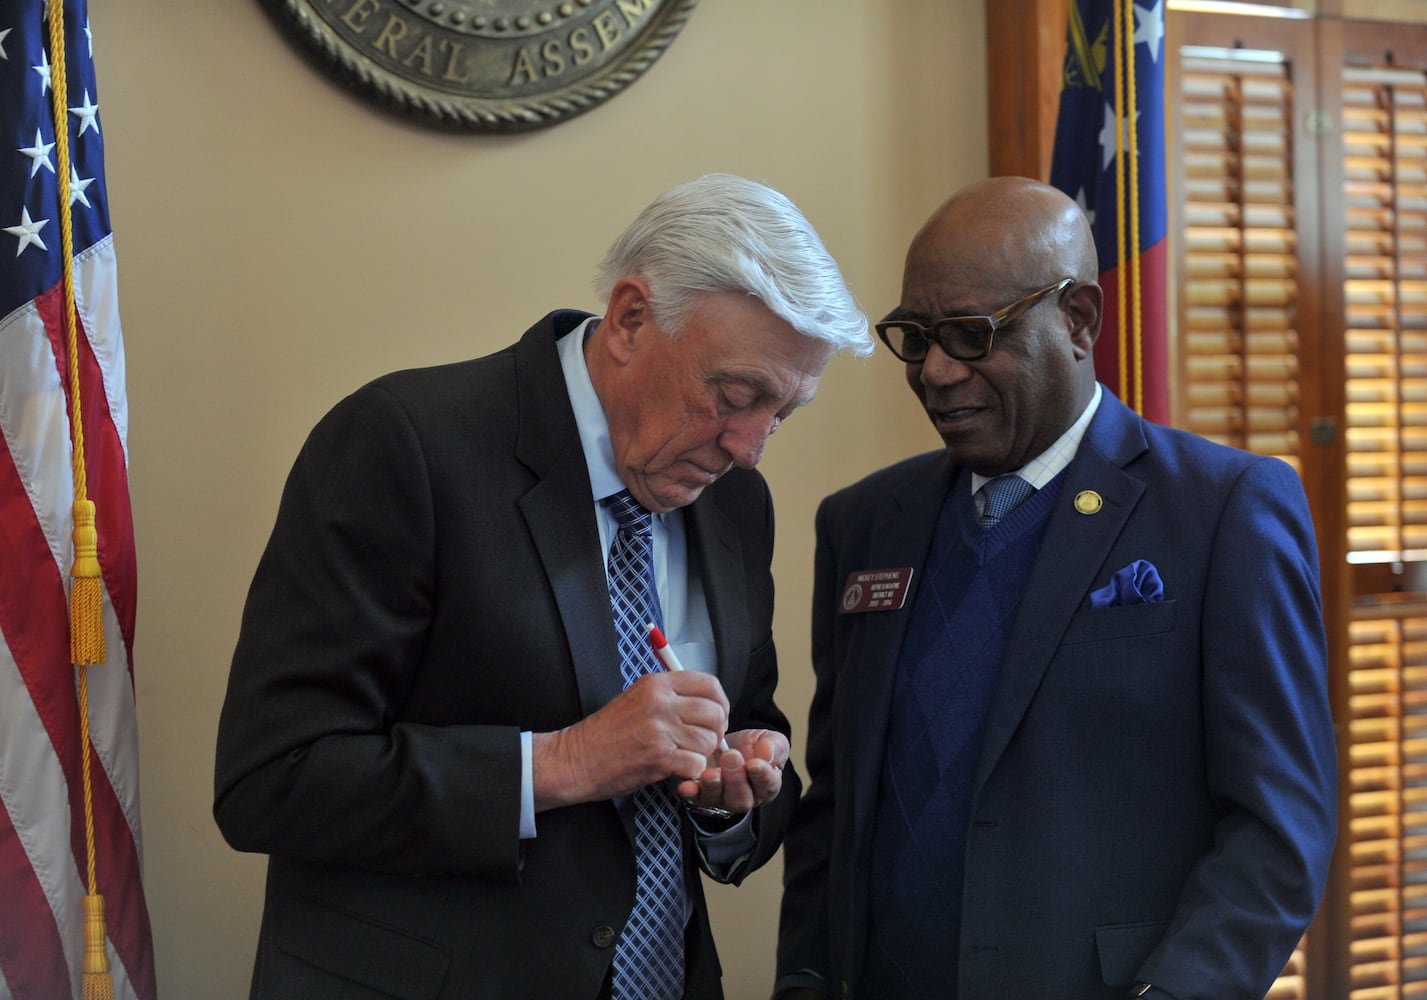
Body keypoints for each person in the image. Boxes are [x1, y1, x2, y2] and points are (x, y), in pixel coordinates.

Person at [213, 173, 873, 1000]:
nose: (750, 446)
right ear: (631, 319)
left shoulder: (736, 503)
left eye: (783, 412)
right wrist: (564, 762)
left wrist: (732, 791)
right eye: (733, 396)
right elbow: (273, 780)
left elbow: (750, 722)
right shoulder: (406, 445)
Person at [773, 176, 1337, 1000]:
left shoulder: (1222, 510)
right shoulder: (863, 524)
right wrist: (805, 977)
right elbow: (837, 804)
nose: (934, 370)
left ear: (1077, 320)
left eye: (970, 334)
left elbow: (1279, 826)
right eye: (914, 337)